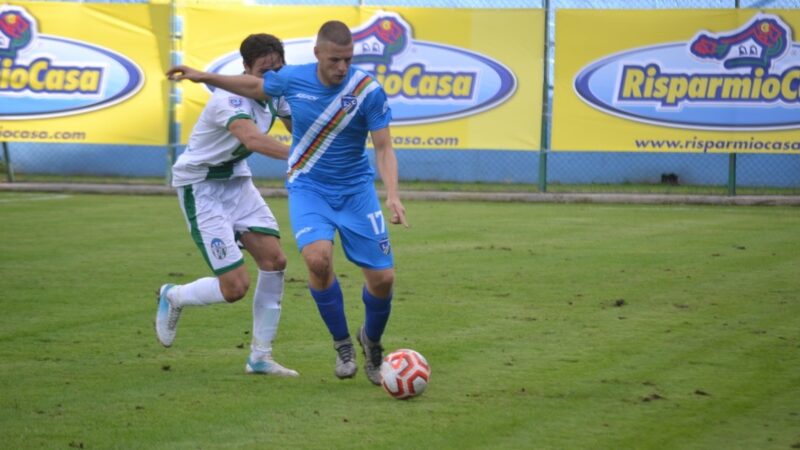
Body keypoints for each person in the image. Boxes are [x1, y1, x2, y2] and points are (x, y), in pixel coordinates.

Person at [167, 20, 408, 386]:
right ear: (317, 54)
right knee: (313, 260)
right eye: (334, 60)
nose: (341, 67)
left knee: (382, 278)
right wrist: (203, 77)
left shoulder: (365, 90)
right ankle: (342, 344)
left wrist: (392, 193)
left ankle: (369, 341)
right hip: (288, 187)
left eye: (347, 59)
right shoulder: (277, 85)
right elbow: (251, 109)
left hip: (355, 190)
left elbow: (383, 146)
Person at [156, 33, 299, 377]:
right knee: (234, 288)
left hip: (237, 181)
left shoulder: (275, 95)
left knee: (275, 259)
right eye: (265, 71)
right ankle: (174, 295)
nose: (273, 78)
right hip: (201, 188)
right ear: (245, 69)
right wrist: (305, 156)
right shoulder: (228, 100)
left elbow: (303, 130)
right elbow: (252, 139)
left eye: (279, 69)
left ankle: (260, 357)